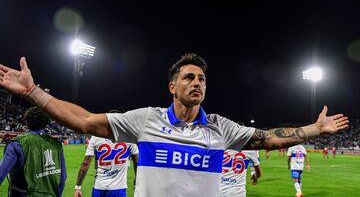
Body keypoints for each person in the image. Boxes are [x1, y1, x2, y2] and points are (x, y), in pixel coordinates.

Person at [0, 54, 349, 197]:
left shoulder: (220, 128)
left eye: (202, 79)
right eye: (189, 77)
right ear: (173, 86)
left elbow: (269, 139)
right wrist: (32, 91)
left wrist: (315, 129)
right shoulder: (146, 120)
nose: (197, 82)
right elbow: (84, 120)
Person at [0, 107, 66, 197]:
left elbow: (1, 173)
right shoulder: (57, 145)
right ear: (46, 123)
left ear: (26, 122)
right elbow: (62, 177)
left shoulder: (16, 144)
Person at [73, 136, 138, 197]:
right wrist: (137, 182)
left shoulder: (95, 137)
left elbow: (85, 164)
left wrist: (78, 187)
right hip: (119, 188)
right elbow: (137, 162)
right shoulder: (128, 135)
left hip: (99, 188)